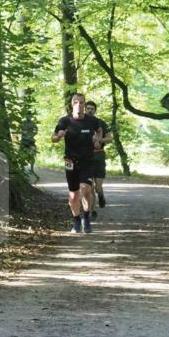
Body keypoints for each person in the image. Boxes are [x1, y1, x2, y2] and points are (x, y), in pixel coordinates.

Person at [51, 93, 102, 233]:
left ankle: (86, 217)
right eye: (76, 102)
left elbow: (99, 130)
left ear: (84, 105)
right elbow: (53, 138)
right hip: (70, 161)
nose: (79, 104)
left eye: (81, 102)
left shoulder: (92, 120)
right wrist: (59, 136)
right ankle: (76, 221)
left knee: (85, 189)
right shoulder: (65, 121)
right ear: (72, 104)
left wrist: (97, 140)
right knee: (73, 195)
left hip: (87, 160)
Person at [84, 100, 112, 211]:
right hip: (86, 157)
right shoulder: (81, 123)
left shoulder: (101, 123)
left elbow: (110, 139)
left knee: (97, 187)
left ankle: (101, 195)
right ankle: (92, 211)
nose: (90, 111)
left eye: (92, 109)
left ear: (95, 111)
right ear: (85, 110)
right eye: (88, 109)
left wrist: (99, 140)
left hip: (99, 156)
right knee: (89, 187)